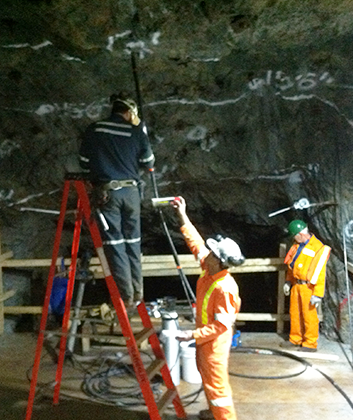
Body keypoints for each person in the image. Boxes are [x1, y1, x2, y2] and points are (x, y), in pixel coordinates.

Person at [78, 92, 155, 309]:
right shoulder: (136, 131)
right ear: (130, 113)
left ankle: (127, 295)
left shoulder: (95, 130)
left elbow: (84, 162)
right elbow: (148, 162)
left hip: (107, 193)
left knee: (115, 243)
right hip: (131, 193)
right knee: (133, 241)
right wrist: (141, 133)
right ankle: (138, 290)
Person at [172, 197, 244, 420]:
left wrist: (192, 334)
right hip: (205, 340)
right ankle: (214, 413)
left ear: (220, 260)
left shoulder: (225, 288)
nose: (207, 254)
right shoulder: (211, 269)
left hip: (214, 344)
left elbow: (221, 326)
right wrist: (182, 215)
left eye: (212, 254)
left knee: (217, 388)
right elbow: (196, 244)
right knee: (208, 380)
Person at [281, 219, 331, 352]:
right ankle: (295, 338)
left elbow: (321, 273)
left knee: (309, 316)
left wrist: (318, 294)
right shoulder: (297, 246)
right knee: (295, 313)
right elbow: (293, 266)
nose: (293, 239)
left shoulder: (317, 248)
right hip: (296, 285)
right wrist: (288, 281)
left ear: (300, 234)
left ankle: (310, 343)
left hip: (308, 288)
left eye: (294, 236)